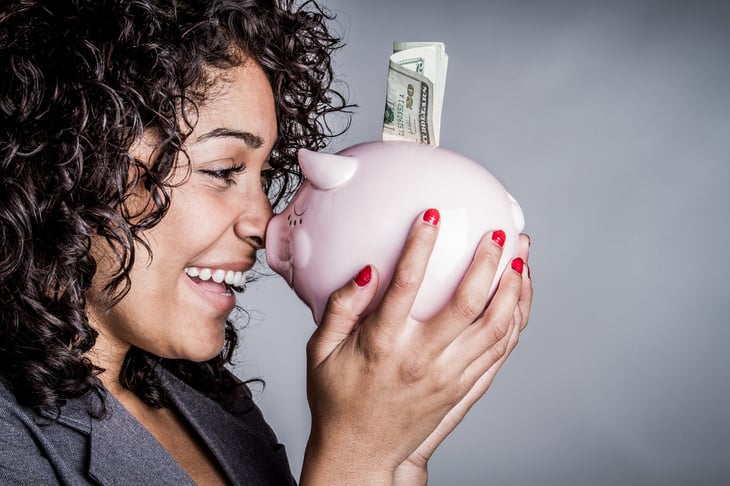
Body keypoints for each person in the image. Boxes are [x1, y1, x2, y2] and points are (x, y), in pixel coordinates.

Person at [0, 0, 533, 484]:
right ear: (65, 165)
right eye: (223, 169)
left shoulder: (209, 401)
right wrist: (354, 460)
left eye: (263, 173)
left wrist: (398, 458)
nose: (263, 219)